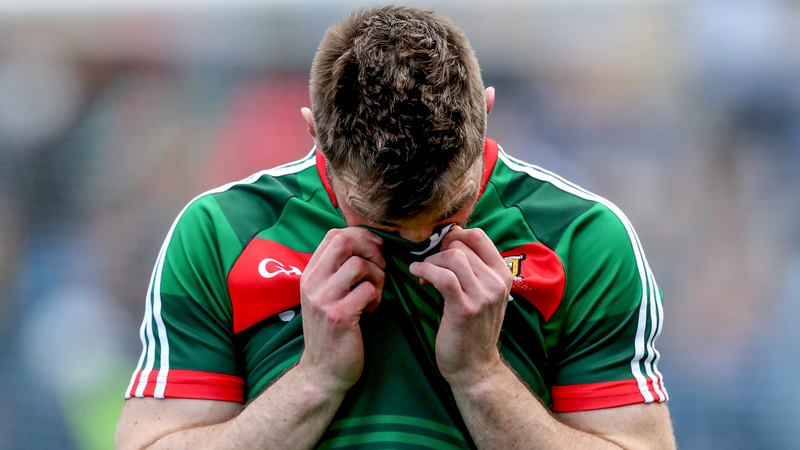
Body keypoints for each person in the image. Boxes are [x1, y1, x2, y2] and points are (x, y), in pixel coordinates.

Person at [115, 6, 675, 449]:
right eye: (380, 219)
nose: (416, 241)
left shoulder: (584, 237)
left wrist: (482, 377)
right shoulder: (221, 232)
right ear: (316, 135)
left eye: (449, 208)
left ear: (486, 112)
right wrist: (314, 380)